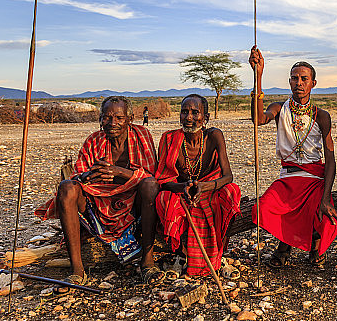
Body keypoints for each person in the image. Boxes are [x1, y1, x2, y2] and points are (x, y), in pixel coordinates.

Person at [35, 96, 161, 286]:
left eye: (119, 118)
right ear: (100, 119)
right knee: (66, 188)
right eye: (107, 118)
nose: (112, 123)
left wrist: (118, 172)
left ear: (130, 118)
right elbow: (77, 175)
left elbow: (151, 175)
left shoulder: (142, 135)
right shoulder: (94, 140)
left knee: (150, 185)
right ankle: (77, 270)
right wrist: (90, 175)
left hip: (133, 203)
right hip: (97, 203)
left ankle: (148, 262)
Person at [248, 47, 337, 268]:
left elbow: (330, 159)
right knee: (262, 209)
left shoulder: (322, 116)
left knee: (320, 212)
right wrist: (258, 76)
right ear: (289, 82)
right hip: (288, 177)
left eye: (304, 79)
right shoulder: (279, 108)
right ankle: (285, 244)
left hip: (314, 178)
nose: (299, 82)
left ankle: (312, 244)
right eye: (294, 78)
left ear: (313, 84)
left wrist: (326, 197)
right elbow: (259, 119)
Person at [154, 94, 241, 277]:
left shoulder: (214, 136)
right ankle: (180, 254)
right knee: (164, 199)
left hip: (210, 189)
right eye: (184, 112)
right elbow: (162, 180)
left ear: (206, 118)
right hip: (181, 192)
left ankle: (218, 253)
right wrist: (184, 188)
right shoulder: (169, 139)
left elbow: (228, 176)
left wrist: (203, 186)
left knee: (231, 193)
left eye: (195, 112)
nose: (189, 117)